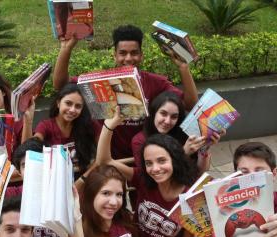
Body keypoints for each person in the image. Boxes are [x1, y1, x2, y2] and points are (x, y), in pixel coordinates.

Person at [53, 24, 199, 159]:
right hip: (110, 158)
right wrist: (66, 49)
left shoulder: (155, 82)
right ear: (114, 55)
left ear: (141, 55)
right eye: (122, 53)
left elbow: (190, 105)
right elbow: (61, 86)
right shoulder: (99, 81)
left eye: (134, 53)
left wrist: (183, 68)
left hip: (148, 157)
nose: (128, 58)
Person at [95, 108, 196, 237]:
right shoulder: (143, 178)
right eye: (149, 163)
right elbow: (104, 161)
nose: (155, 169)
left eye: (162, 160)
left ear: (175, 160)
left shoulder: (190, 196)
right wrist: (109, 126)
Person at [6, 137, 88, 237]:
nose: (32, 169)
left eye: (37, 162)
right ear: (20, 172)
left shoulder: (66, 196)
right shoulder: (12, 196)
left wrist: (75, 217)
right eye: (25, 165)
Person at [131, 91, 222, 173]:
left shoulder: (184, 135)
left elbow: (201, 172)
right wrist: (183, 153)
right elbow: (152, 178)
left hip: (190, 186)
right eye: (163, 113)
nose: (167, 121)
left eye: (174, 117)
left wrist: (205, 147)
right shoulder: (140, 141)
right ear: (154, 112)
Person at [81, 165, 143, 237]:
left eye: (119, 194)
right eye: (106, 193)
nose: (114, 202)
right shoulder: (82, 232)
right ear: (91, 194)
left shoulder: (125, 219)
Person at [30, 83, 99, 176]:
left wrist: (83, 180)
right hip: (55, 180)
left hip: (83, 180)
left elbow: (102, 155)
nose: (72, 110)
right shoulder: (45, 126)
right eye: (68, 103)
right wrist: (27, 120)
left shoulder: (89, 125)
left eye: (78, 106)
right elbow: (30, 150)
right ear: (58, 103)